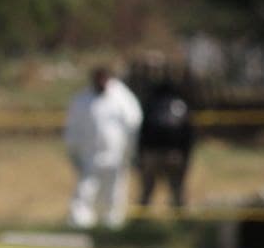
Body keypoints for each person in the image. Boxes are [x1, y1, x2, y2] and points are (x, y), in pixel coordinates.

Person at [64, 66, 143, 229]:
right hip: (90, 155)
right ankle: (81, 222)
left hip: (116, 155)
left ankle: (112, 224)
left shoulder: (121, 97)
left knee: (114, 191)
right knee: (85, 190)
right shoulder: (82, 99)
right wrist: (74, 152)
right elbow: (73, 127)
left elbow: (134, 123)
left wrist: (130, 151)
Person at [136, 80, 195, 210]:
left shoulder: (150, 104)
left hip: (151, 154)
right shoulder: (180, 105)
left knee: (147, 189)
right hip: (174, 154)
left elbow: (142, 132)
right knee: (177, 189)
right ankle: (181, 218)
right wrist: (185, 156)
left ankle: (140, 219)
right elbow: (188, 134)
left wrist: (140, 155)